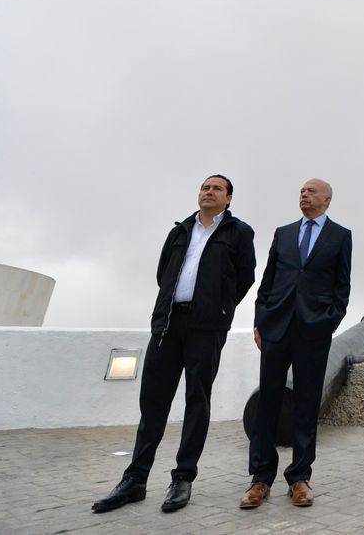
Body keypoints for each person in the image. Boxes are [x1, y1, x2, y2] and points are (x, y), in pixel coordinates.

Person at [92, 175, 256, 514]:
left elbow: (245, 276)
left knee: (197, 400)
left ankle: (182, 479)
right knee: (152, 402)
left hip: (206, 327)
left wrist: (219, 308)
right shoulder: (180, 231)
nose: (208, 192)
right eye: (204, 188)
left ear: (228, 199)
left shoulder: (238, 233)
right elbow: (163, 273)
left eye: (216, 189)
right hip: (168, 325)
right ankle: (134, 479)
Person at [241, 179, 351, 510]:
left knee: (306, 406)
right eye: (302, 191)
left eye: (312, 191)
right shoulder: (284, 233)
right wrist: (260, 320)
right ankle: (260, 479)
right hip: (276, 329)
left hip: (313, 333)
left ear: (327, 200)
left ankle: (300, 478)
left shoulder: (340, 236)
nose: (304, 195)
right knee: (267, 405)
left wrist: (327, 323)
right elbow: (268, 280)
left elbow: (342, 287)